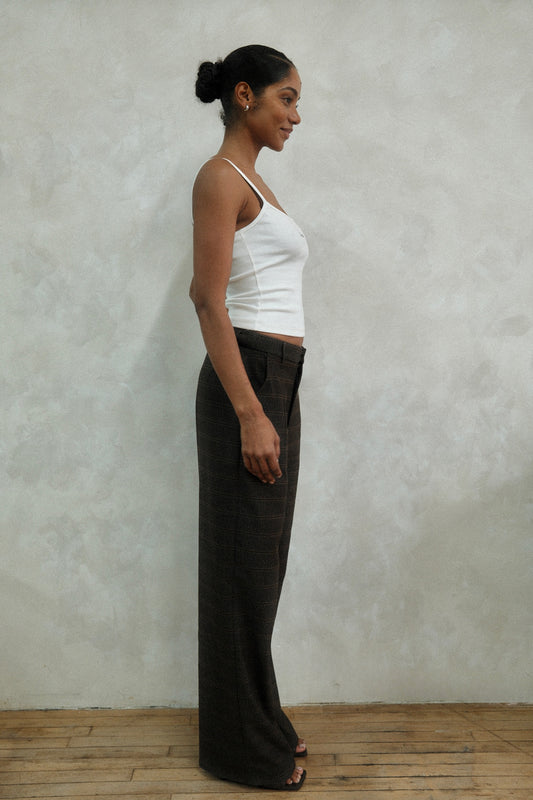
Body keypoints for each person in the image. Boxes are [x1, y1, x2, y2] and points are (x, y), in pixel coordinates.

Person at [190, 44, 308, 791]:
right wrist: (249, 414)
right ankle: (239, 750)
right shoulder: (218, 179)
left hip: (279, 377)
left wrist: (273, 402)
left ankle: (258, 722)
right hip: (250, 380)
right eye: (285, 99)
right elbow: (207, 299)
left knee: (260, 571)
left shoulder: (253, 181)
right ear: (243, 94)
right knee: (240, 573)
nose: (295, 116)